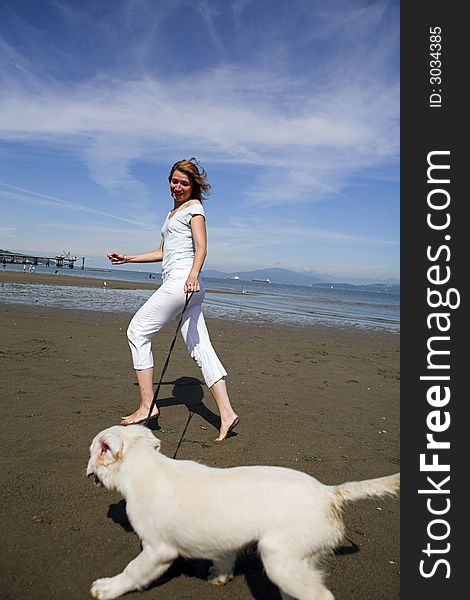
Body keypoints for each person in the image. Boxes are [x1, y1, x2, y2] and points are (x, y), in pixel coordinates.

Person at [107, 158, 239, 441]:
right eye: (174, 181)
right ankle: (226, 413)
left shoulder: (195, 210)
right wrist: (128, 258)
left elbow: (202, 248)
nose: (178, 187)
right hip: (184, 283)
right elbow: (162, 252)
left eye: (184, 183)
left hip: (184, 281)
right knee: (200, 347)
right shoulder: (172, 214)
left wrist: (192, 274)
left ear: (193, 187)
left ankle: (147, 405)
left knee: (137, 331)